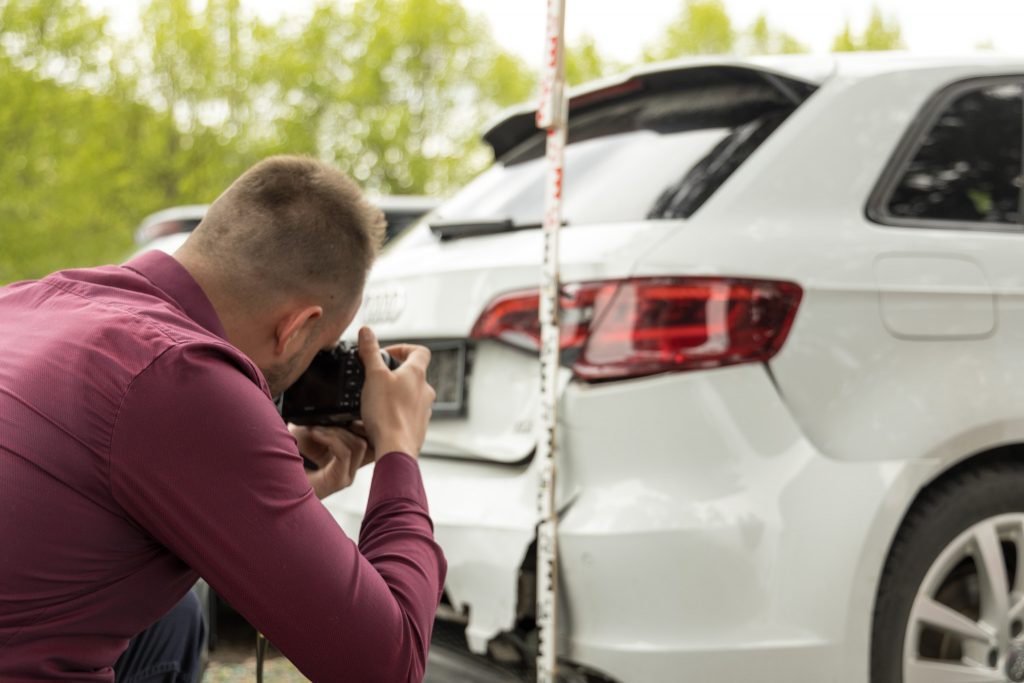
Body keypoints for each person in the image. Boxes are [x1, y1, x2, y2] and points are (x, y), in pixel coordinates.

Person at [0, 156, 446, 682]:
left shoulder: (29, 301)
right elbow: (387, 668)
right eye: (321, 350)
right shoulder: (180, 375)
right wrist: (398, 449)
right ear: (297, 328)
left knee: (174, 616)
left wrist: (276, 494)